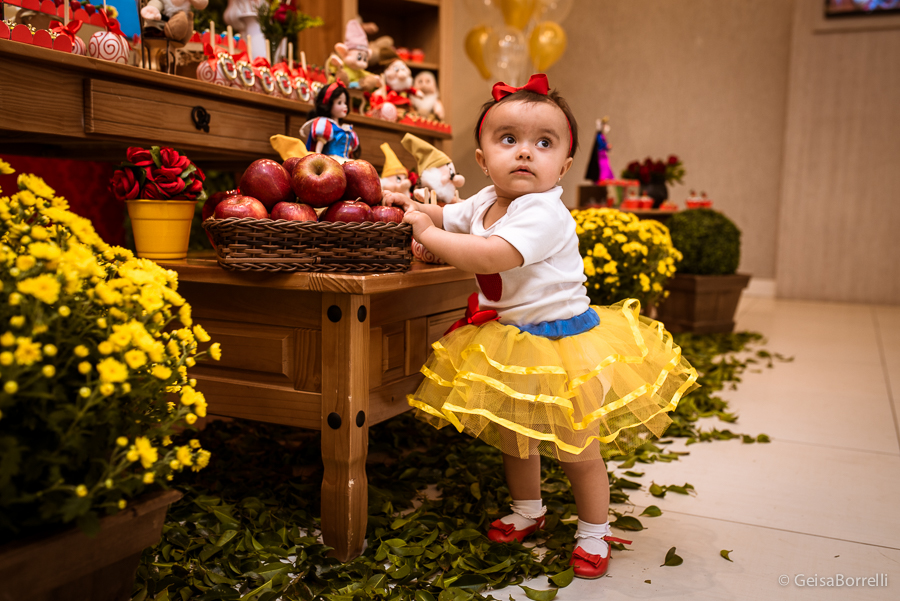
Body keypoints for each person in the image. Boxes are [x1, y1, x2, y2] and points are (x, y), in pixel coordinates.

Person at [382, 73, 698, 580]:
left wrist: (427, 234)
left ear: (565, 166)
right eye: (508, 140)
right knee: (517, 436)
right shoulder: (485, 200)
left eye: (543, 144)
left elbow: (491, 253)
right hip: (514, 339)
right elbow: (451, 216)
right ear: (483, 159)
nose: (525, 153)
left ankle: (594, 530)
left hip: (566, 345)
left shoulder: (544, 213)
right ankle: (530, 509)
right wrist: (417, 210)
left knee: (578, 448)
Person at [299, 81, 360, 159]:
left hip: (345, 161)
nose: (345, 106)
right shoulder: (325, 125)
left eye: (345, 103)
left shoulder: (347, 129)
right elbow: (318, 150)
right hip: (331, 161)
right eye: (339, 103)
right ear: (328, 104)